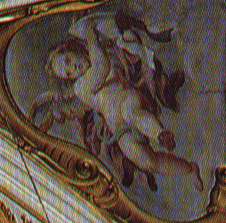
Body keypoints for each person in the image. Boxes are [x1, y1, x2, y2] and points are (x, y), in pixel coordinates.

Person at [29, 11, 202, 192]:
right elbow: (100, 67)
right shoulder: (81, 87)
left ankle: (160, 135)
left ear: (72, 49)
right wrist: (91, 37)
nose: (72, 67)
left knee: (131, 113)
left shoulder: (103, 52)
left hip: (129, 100)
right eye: (68, 73)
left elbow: (106, 62)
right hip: (118, 127)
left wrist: (94, 37)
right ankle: (189, 169)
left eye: (68, 60)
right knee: (146, 161)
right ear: (69, 79)